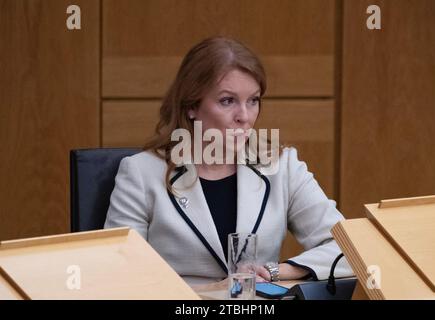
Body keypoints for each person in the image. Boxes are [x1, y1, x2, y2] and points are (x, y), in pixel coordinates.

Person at [104, 36, 354, 287]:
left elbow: (349, 249)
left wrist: (277, 271)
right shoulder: (140, 172)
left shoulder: (282, 166)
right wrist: (211, 292)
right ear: (192, 106)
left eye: (253, 100)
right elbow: (119, 274)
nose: (244, 116)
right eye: (227, 101)